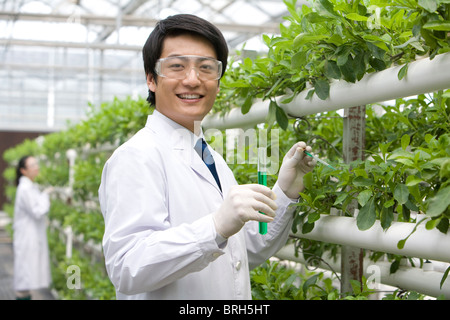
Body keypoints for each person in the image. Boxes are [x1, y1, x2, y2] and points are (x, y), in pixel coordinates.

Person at [98, 14, 316, 300]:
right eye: (176, 66)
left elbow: (242, 250)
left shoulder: (208, 155)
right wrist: (214, 226)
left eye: (206, 68)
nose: (192, 80)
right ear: (151, 79)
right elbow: (127, 265)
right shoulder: (136, 157)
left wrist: (285, 191)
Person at [13, 155, 52, 300]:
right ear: (23, 170)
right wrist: (46, 195)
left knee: (27, 275)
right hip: (27, 237)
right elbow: (37, 211)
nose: (37, 167)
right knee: (25, 276)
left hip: (30, 235)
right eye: (33, 165)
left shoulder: (28, 186)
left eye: (36, 164)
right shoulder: (25, 189)